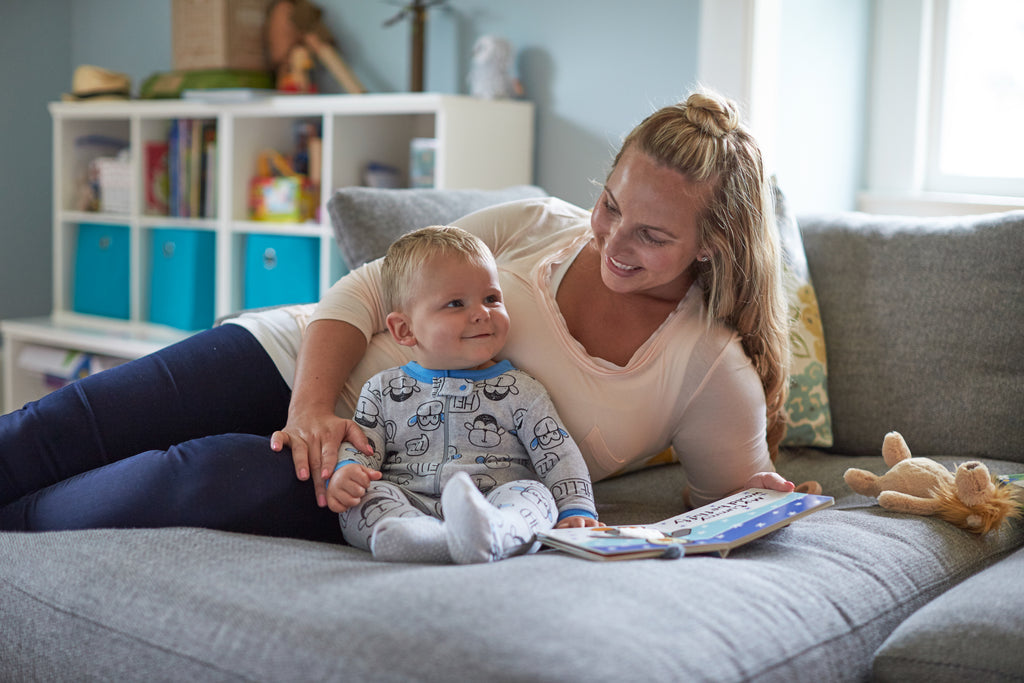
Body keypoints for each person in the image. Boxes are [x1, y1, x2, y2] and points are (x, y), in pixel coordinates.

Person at [0, 88, 794, 539]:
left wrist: (768, 498)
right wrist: (311, 405)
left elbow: (736, 497)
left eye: (652, 234)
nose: (614, 240)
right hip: (294, 355)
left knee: (194, 476)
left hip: (385, 471)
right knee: (55, 426)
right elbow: (366, 289)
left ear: (713, 246)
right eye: (611, 204)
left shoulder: (708, 367)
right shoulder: (537, 225)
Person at [328, 225, 598, 564]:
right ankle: (419, 537)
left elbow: (557, 452)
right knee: (366, 497)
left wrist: (576, 507)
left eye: (491, 298)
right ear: (405, 329)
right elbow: (362, 444)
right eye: (456, 303)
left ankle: (495, 534)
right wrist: (349, 471)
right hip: (410, 498)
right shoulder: (382, 390)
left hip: (494, 501)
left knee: (534, 494)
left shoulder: (522, 390)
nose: (481, 313)